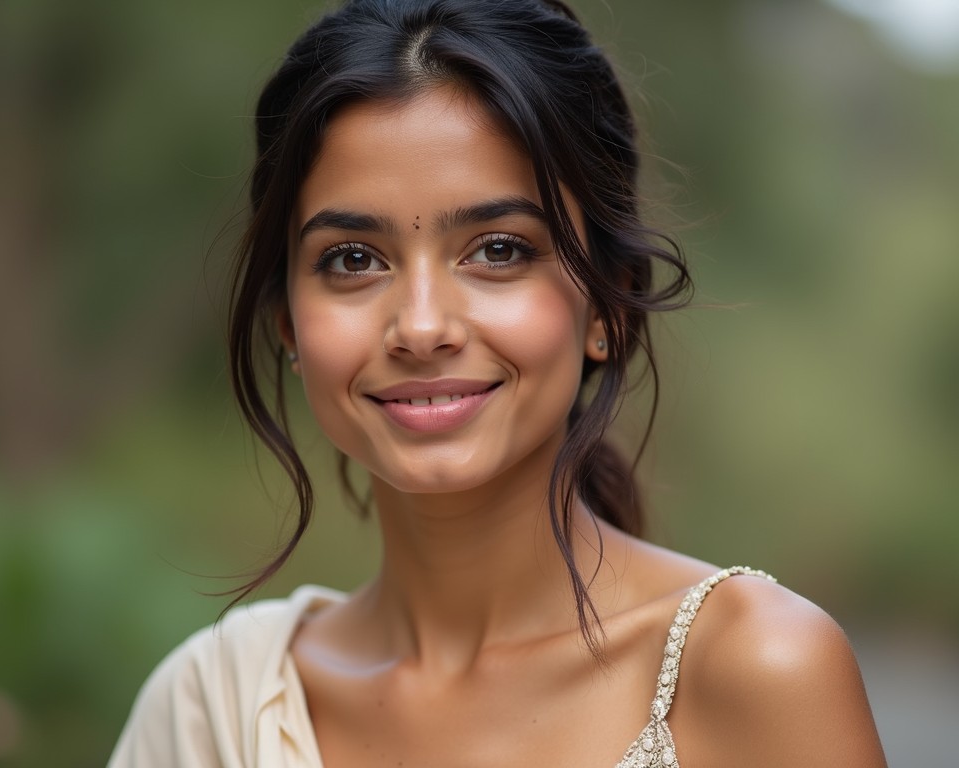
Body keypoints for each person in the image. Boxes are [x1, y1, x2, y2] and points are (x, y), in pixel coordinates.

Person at [108, 1, 887, 766]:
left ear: (607, 305)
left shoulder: (754, 669)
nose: (420, 325)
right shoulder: (209, 709)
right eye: (352, 259)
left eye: (499, 250)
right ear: (287, 323)